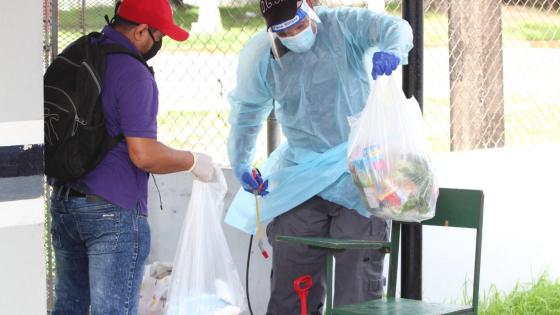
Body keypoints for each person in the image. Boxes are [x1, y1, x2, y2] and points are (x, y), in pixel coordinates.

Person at [225, 0, 413, 313]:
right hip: (304, 176)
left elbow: (396, 27)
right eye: (284, 31)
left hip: (359, 173)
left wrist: (392, 50)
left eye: (298, 24)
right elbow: (247, 110)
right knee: (291, 279)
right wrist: (241, 161)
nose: (295, 34)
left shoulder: (343, 26)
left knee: (358, 288)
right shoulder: (263, 55)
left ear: (310, 6)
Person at [48, 0, 214, 313]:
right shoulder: (134, 74)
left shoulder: (83, 52)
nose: (159, 43)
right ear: (140, 31)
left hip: (65, 201)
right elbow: (144, 155)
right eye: (158, 35)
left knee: (69, 306)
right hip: (113, 212)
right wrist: (192, 160)